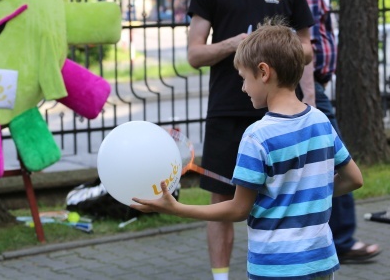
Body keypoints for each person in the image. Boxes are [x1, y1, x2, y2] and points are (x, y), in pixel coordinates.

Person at [132, 20, 364, 280]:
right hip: (320, 261)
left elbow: (238, 209)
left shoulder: (257, 136)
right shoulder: (321, 121)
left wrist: (176, 208)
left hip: (276, 268)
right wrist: (308, 196)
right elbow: (354, 179)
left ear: (264, 72)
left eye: (244, 78)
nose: (243, 88)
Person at [185, 0, 315, 280]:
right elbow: (194, 54)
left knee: (289, 195)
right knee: (222, 199)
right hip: (229, 108)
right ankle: (221, 277)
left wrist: (278, 49)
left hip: (283, 112)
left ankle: (293, 269)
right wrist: (237, 44)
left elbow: (308, 47)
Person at [273, 0, 381, 263]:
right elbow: (302, 41)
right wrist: (309, 95)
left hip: (304, 85)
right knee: (335, 156)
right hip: (310, 86)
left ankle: (313, 234)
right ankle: (344, 239)